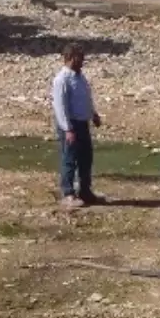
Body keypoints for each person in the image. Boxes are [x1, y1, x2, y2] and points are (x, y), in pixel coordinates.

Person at [51, 43, 103, 208]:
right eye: (80, 58)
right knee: (69, 159)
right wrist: (67, 129)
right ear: (70, 58)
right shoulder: (62, 80)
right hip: (71, 125)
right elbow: (60, 106)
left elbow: (85, 98)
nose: (82, 62)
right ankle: (68, 193)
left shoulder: (80, 77)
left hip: (83, 123)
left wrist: (93, 114)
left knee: (85, 158)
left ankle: (85, 191)